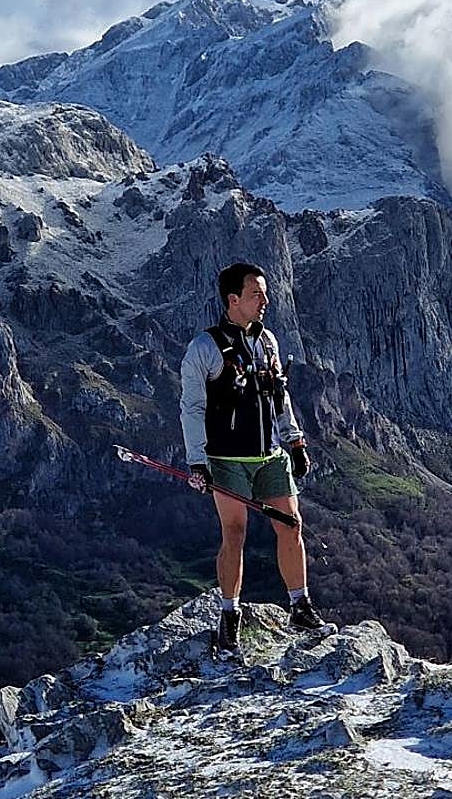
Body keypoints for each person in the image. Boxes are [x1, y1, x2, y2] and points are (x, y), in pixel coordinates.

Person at [180, 261, 334, 657]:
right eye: (256, 294)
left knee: (291, 525)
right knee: (234, 533)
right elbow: (192, 408)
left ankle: (300, 606)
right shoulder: (204, 349)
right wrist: (197, 462)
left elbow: (279, 396)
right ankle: (229, 616)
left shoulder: (268, 342)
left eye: (264, 293)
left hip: (270, 455)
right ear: (233, 300)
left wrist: (295, 442)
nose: (265, 300)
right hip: (227, 458)